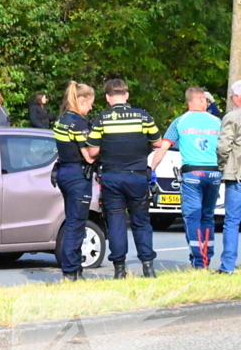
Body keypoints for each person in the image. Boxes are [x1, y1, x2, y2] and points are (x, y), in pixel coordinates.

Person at [86, 79, 165, 279]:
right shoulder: (143, 117)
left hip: (112, 177)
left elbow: (93, 151)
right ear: (126, 95)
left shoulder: (102, 119)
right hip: (137, 176)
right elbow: (157, 143)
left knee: (116, 222)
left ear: (107, 97)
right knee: (141, 222)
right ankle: (148, 267)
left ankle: (119, 270)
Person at [156, 87, 223, 269]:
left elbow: (163, 147)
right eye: (206, 100)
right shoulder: (217, 121)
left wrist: (150, 169)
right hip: (214, 173)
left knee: (192, 217)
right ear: (201, 99)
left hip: (192, 173)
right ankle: (207, 257)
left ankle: (198, 261)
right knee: (207, 216)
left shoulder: (180, 121)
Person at [52, 82, 96, 281]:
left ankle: (74, 268)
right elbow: (88, 157)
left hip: (63, 172)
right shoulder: (78, 122)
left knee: (72, 220)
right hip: (77, 175)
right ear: (82, 100)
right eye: (90, 104)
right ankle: (71, 271)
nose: (91, 108)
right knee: (76, 223)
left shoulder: (61, 119)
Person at [216, 80, 241, 274]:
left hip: (237, 175)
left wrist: (224, 166)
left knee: (232, 221)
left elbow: (223, 147)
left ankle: (228, 266)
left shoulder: (233, 117)